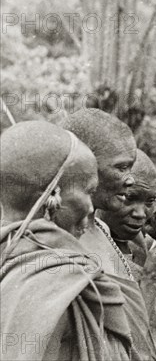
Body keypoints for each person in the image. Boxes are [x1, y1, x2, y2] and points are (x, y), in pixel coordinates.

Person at [1, 121, 133, 360]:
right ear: (54, 195)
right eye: (89, 191)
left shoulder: (10, 258)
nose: (91, 206)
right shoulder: (54, 284)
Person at [63, 108, 156, 360]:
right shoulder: (58, 243)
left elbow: (144, 340)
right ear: (83, 164)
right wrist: (152, 278)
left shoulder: (103, 232)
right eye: (121, 168)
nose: (129, 180)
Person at [96, 149, 156, 360]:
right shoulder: (92, 250)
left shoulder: (140, 245)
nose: (140, 214)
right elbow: (123, 346)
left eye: (150, 201)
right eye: (129, 198)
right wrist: (151, 279)